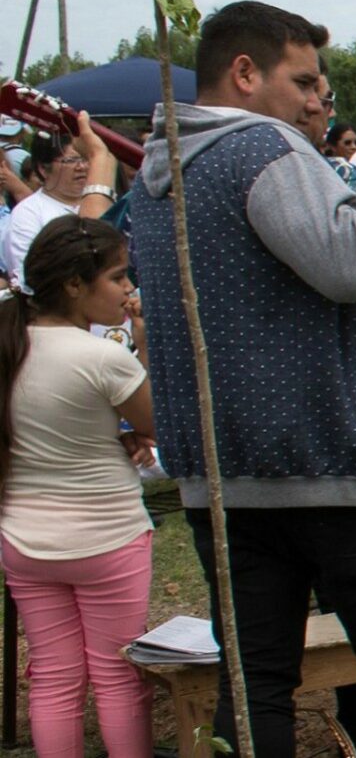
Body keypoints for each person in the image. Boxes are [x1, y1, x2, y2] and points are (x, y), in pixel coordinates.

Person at [125, 0, 356, 754]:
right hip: (332, 467)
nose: (318, 101)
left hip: (226, 477)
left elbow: (306, 276)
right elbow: (347, 265)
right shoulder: (261, 148)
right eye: (304, 81)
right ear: (245, 73)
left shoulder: (161, 169)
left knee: (255, 687)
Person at [0, 216, 156, 758]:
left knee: (54, 680)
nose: (128, 289)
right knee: (117, 678)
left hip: (23, 540)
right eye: (118, 277)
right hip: (107, 537)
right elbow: (159, 423)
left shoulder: (9, 346)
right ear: (74, 285)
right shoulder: (102, 357)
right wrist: (145, 341)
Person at [1, 119, 122, 283]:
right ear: (43, 169)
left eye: (87, 158)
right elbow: (28, 279)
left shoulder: (105, 200)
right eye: (71, 160)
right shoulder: (27, 215)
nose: (82, 167)